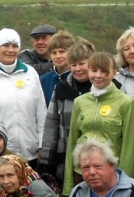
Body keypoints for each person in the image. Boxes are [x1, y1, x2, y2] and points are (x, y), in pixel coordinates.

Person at [64, 52, 134, 195]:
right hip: (82, 173)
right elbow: (72, 142)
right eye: (94, 70)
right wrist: (68, 185)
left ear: (114, 74)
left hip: (111, 176)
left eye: (104, 71)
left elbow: (130, 148)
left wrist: (124, 185)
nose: (98, 75)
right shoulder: (80, 102)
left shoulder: (127, 103)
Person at [0, 28, 45, 167]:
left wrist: (42, 144)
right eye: (5, 46)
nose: (10, 50)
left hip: (29, 151)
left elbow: (41, 112)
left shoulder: (30, 73)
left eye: (15, 46)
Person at [40, 40, 95, 185]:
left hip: (97, 161)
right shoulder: (61, 89)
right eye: (73, 65)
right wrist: (46, 162)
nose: (77, 69)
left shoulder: (107, 89)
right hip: (65, 160)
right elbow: (51, 126)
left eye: (82, 64)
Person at [38, 31, 77, 107]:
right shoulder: (43, 80)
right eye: (54, 53)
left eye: (62, 52)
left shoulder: (79, 78)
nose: (58, 56)